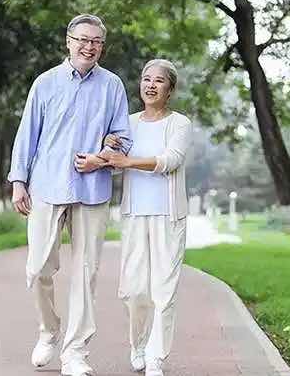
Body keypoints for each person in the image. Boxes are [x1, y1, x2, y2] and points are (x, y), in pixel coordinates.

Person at [8, 14, 132, 376]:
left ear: (102, 47)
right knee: (38, 267)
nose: (88, 46)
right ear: (68, 41)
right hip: (47, 186)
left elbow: (122, 136)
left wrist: (101, 157)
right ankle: (49, 329)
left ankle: (75, 352)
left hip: (92, 191)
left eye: (95, 41)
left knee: (86, 272)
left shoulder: (112, 86)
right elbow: (27, 133)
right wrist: (19, 181)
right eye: (82, 39)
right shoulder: (45, 83)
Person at [99, 59, 192, 376]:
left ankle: (156, 357)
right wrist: (107, 147)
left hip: (169, 217)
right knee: (135, 290)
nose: (151, 85)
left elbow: (171, 160)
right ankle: (137, 345)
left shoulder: (180, 124)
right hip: (135, 214)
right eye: (146, 79)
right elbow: (112, 163)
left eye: (159, 81)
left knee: (164, 290)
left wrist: (127, 162)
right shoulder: (128, 122)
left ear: (170, 89)